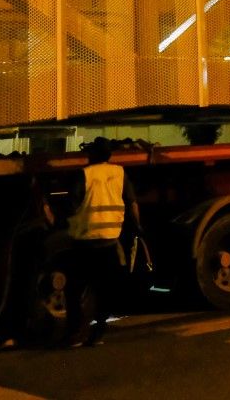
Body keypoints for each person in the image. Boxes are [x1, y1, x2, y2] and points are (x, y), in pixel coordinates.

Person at [67, 137, 141, 345]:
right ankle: (98, 334)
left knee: (75, 289)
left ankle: (75, 334)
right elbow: (132, 204)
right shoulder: (119, 173)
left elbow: (72, 206)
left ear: (91, 154)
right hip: (109, 241)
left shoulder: (84, 174)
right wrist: (137, 227)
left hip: (85, 241)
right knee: (104, 290)